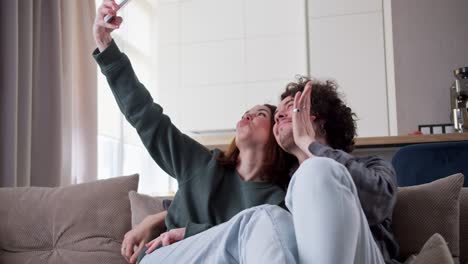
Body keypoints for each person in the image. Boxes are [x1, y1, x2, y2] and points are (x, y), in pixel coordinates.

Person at [92, 1, 295, 264]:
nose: (248, 115)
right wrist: (105, 44)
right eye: (248, 110)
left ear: (278, 136)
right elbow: (146, 116)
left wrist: (188, 230)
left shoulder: (276, 204)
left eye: (261, 114)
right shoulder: (202, 164)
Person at [273, 77, 399, 264]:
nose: (278, 116)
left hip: (365, 257)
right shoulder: (281, 186)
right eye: (276, 115)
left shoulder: (372, 164)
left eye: (290, 106)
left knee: (316, 168)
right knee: (256, 218)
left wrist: (308, 143)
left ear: (318, 118)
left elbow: (378, 203)